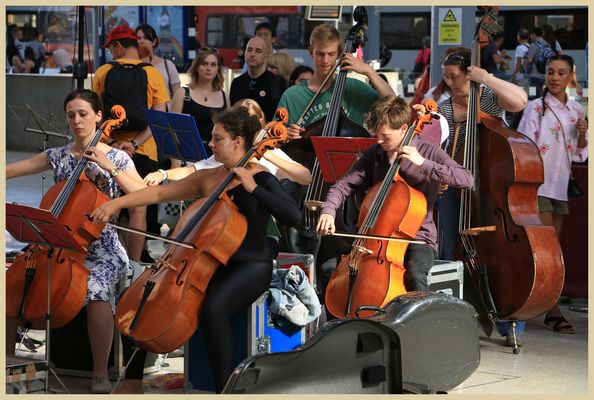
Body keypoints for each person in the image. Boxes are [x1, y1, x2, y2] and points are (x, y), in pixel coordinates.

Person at [90, 107, 301, 394]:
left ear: (238, 141)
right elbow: (159, 193)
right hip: (209, 262)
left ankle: (225, 388)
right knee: (144, 299)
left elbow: (295, 217)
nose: (211, 144)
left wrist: (253, 189)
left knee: (214, 309)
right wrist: (115, 204)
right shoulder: (210, 176)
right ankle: (132, 381)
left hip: (251, 263)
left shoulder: (261, 177)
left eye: (218, 139)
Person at [5, 89, 146, 393]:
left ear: (99, 116)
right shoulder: (57, 155)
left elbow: (140, 195)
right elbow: (13, 170)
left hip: (103, 247)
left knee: (95, 289)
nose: (77, 120)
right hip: (58, 243)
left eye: (83, 114)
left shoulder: (118, 157)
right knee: (14, 282)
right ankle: (9, 362)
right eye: (71, 115)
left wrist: (111, 167)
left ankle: (99, 372)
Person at [316, 95, 473, 300]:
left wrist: (423, 163)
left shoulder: (428, 151)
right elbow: (343, 185)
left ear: (403, 129)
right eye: (376, 135)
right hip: (376, 237)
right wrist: (328, 211)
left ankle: (418, 326)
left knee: (415, 275)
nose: (379, 141)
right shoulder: (374, 154)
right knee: (329, 269)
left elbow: (467, 179)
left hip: (418, 237)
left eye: (385, 136)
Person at [515, 54, 587, 339]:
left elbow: (581, 153)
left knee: (552, 249)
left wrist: (582, 134)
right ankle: (552, 309)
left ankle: (544, 304)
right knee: (547, 249)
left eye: (561, 73)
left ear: (570, 76)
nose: (555, 78)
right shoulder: (536, 108)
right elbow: (523, 145)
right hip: (539, 186)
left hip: (560, 188)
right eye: (550, 72)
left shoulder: (576, 111)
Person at [436, 48, 527, 262]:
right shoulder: (444, 109)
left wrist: (485, 78)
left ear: (469, 75)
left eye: (454, 77)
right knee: (450, 244)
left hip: (490, 185)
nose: (449, 83)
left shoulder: (489, 99)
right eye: (446, 77)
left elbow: (520, 101)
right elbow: (438, 149)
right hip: (455, 186)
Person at [92, 25, 169, 263]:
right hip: (144, 150)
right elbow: (159, 119)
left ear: (118, 45)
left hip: (109, 150)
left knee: (115, 206)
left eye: (111, 48)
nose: (111, 53)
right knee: (138, 207)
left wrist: (114, 141)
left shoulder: (103, 72)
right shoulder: (153, 73)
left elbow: (95, 114)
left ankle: (116, 259)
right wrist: (135, 144)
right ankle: (133, 265)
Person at [145, 98, 312, 187]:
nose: (245, 125)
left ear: (261, 122)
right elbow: (193, 170)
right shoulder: (230, 150)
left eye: (250, 119)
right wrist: (163, 174)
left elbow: (306, 177)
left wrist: (268, 155)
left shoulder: (269, 151)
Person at [170, 47, 228, 155]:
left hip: (216, 157)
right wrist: (176, 161)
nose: (209, 68)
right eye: (204, 64)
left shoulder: (224, 96)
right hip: (188, 155)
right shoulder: (182, 93)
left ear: (218, 69)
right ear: (196, 67)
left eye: (213, 65)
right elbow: (172, 132)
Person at [230, 36, 287, 122]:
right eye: (249, 50)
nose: (252, 54)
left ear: (266, 56)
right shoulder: (237, 83)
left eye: (258, 51)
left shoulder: (277, 82)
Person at [135, 24, 181, 111]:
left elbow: (177, 94)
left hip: (165, 114)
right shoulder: (133, 65)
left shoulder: (168, 65)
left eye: (145, 38)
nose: (141, 41)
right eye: (138, 38)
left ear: (154, 41)